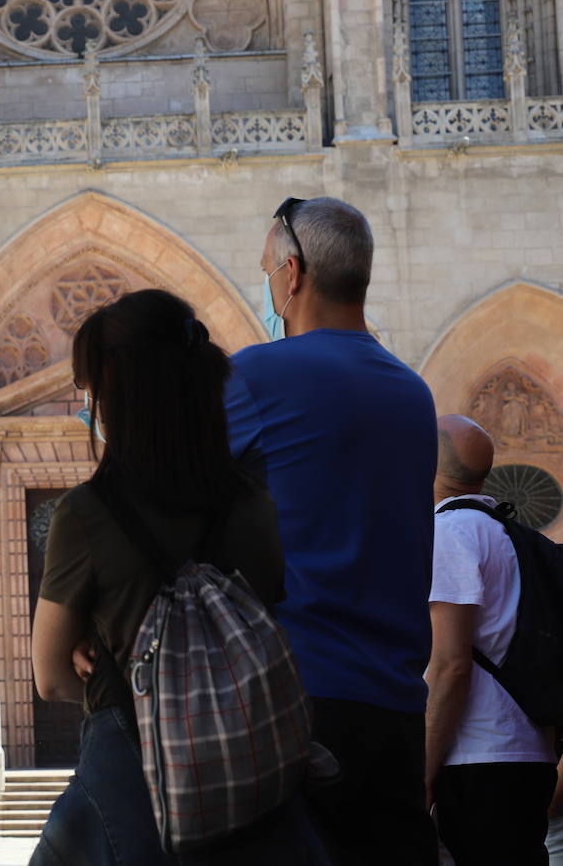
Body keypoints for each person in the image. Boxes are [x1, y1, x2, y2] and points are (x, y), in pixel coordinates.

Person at [31, 288, 327, 865]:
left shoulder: (87, 514)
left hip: (130, 782)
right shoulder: (253, 504)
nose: (84, 402)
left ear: (122, 393)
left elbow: (49, 678)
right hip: (252, 784)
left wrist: (98, 645)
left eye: (90, 387)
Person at [224, 196, 439, 865]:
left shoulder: (259, 375)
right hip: (398, 706)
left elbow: (165, 476)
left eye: (266, 270)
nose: (266, 287)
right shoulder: (413, 392)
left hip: (298, 701)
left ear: (292, 275)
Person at [426, 415, 556, 865]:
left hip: (476, 756)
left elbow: (450, 664)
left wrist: (422, 774)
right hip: (531, 751)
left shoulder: (448, 534)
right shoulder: (510, 534)